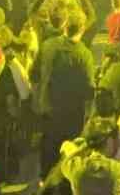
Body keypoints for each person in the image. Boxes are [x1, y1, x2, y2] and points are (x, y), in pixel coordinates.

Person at [36, 11, 96, 173]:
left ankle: (44, 182)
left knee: (48, 147)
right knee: (68, 151)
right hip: (72, 111)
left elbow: (34, 74)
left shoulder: (48, 45)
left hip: (48, 106)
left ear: (64, 26)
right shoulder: (85, 55)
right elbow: (89, 88)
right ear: (82, 30)